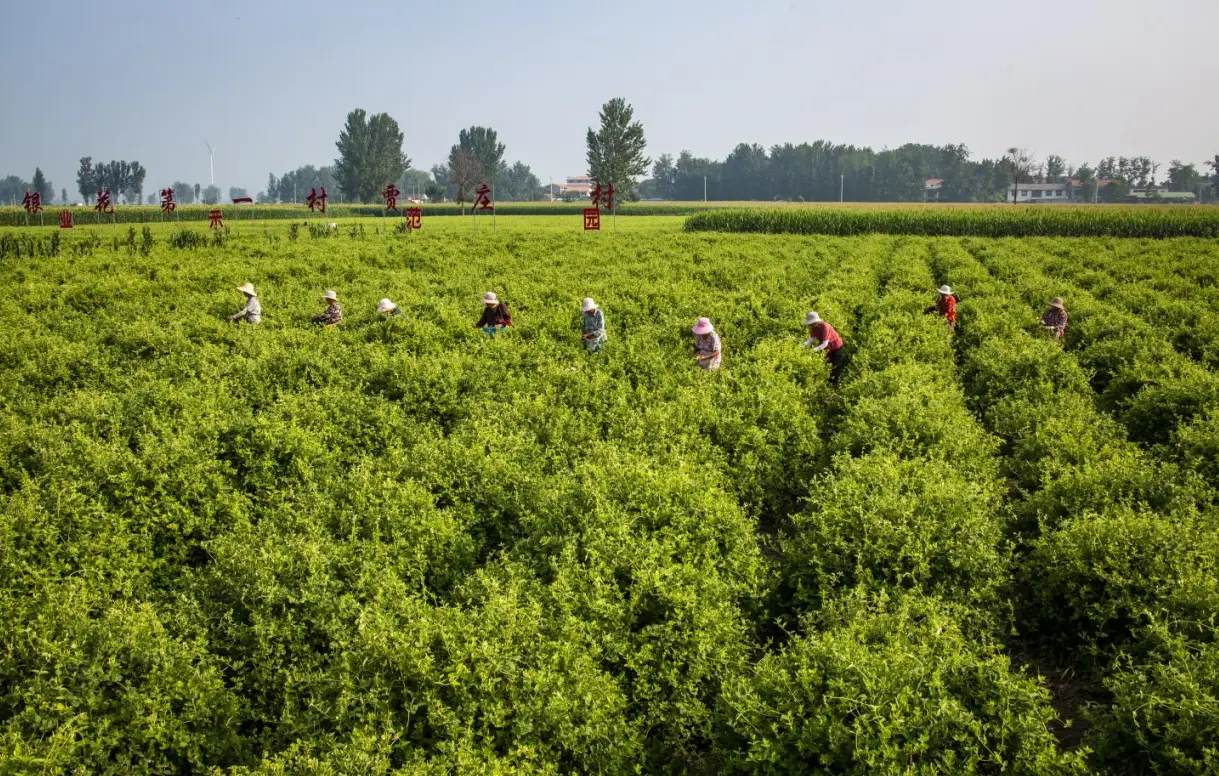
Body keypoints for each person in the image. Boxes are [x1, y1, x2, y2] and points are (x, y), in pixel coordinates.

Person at [802, 311, 845, 384]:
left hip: (836, 347)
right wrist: (802, 346)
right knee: (825, 363)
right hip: (827, 347)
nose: (812, 325)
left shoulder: (825, 326)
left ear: (817, 321)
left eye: (812, 323)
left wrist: (812, 350)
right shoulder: (814, 327)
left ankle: (834, 384)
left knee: (834, 366)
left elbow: (825, 343)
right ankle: (825, 381)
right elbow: (811, 339)